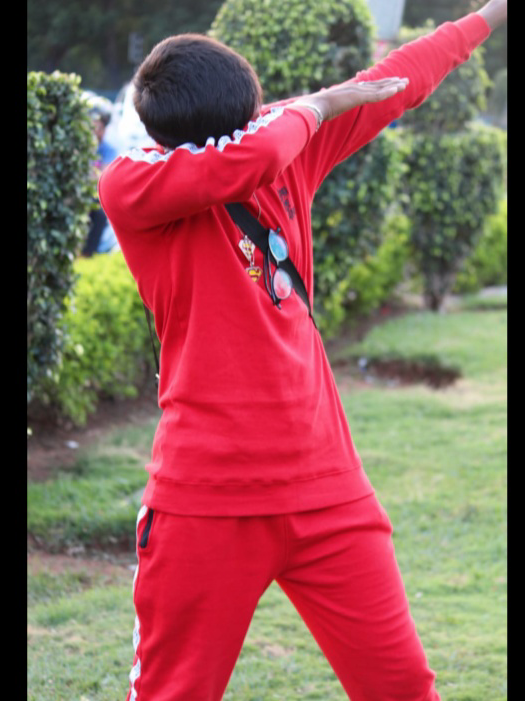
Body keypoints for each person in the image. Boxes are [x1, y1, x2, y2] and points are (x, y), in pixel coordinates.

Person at [98, 1, 507, 699]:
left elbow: (397, 80)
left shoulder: (289, 142)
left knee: (403, 686)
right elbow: (251, 156)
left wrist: (486, 18)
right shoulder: (134, 183)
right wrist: (316, 105)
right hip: (205, 499)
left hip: (327, 488)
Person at [82, 92, 120, 256]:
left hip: (94, 196)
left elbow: (102, 177)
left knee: (99, 213)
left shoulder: (108, 149)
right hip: (79, 193)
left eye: (100, 127)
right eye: (94, 126)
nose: (97, 131)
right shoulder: (80, 146)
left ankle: (88, 254)